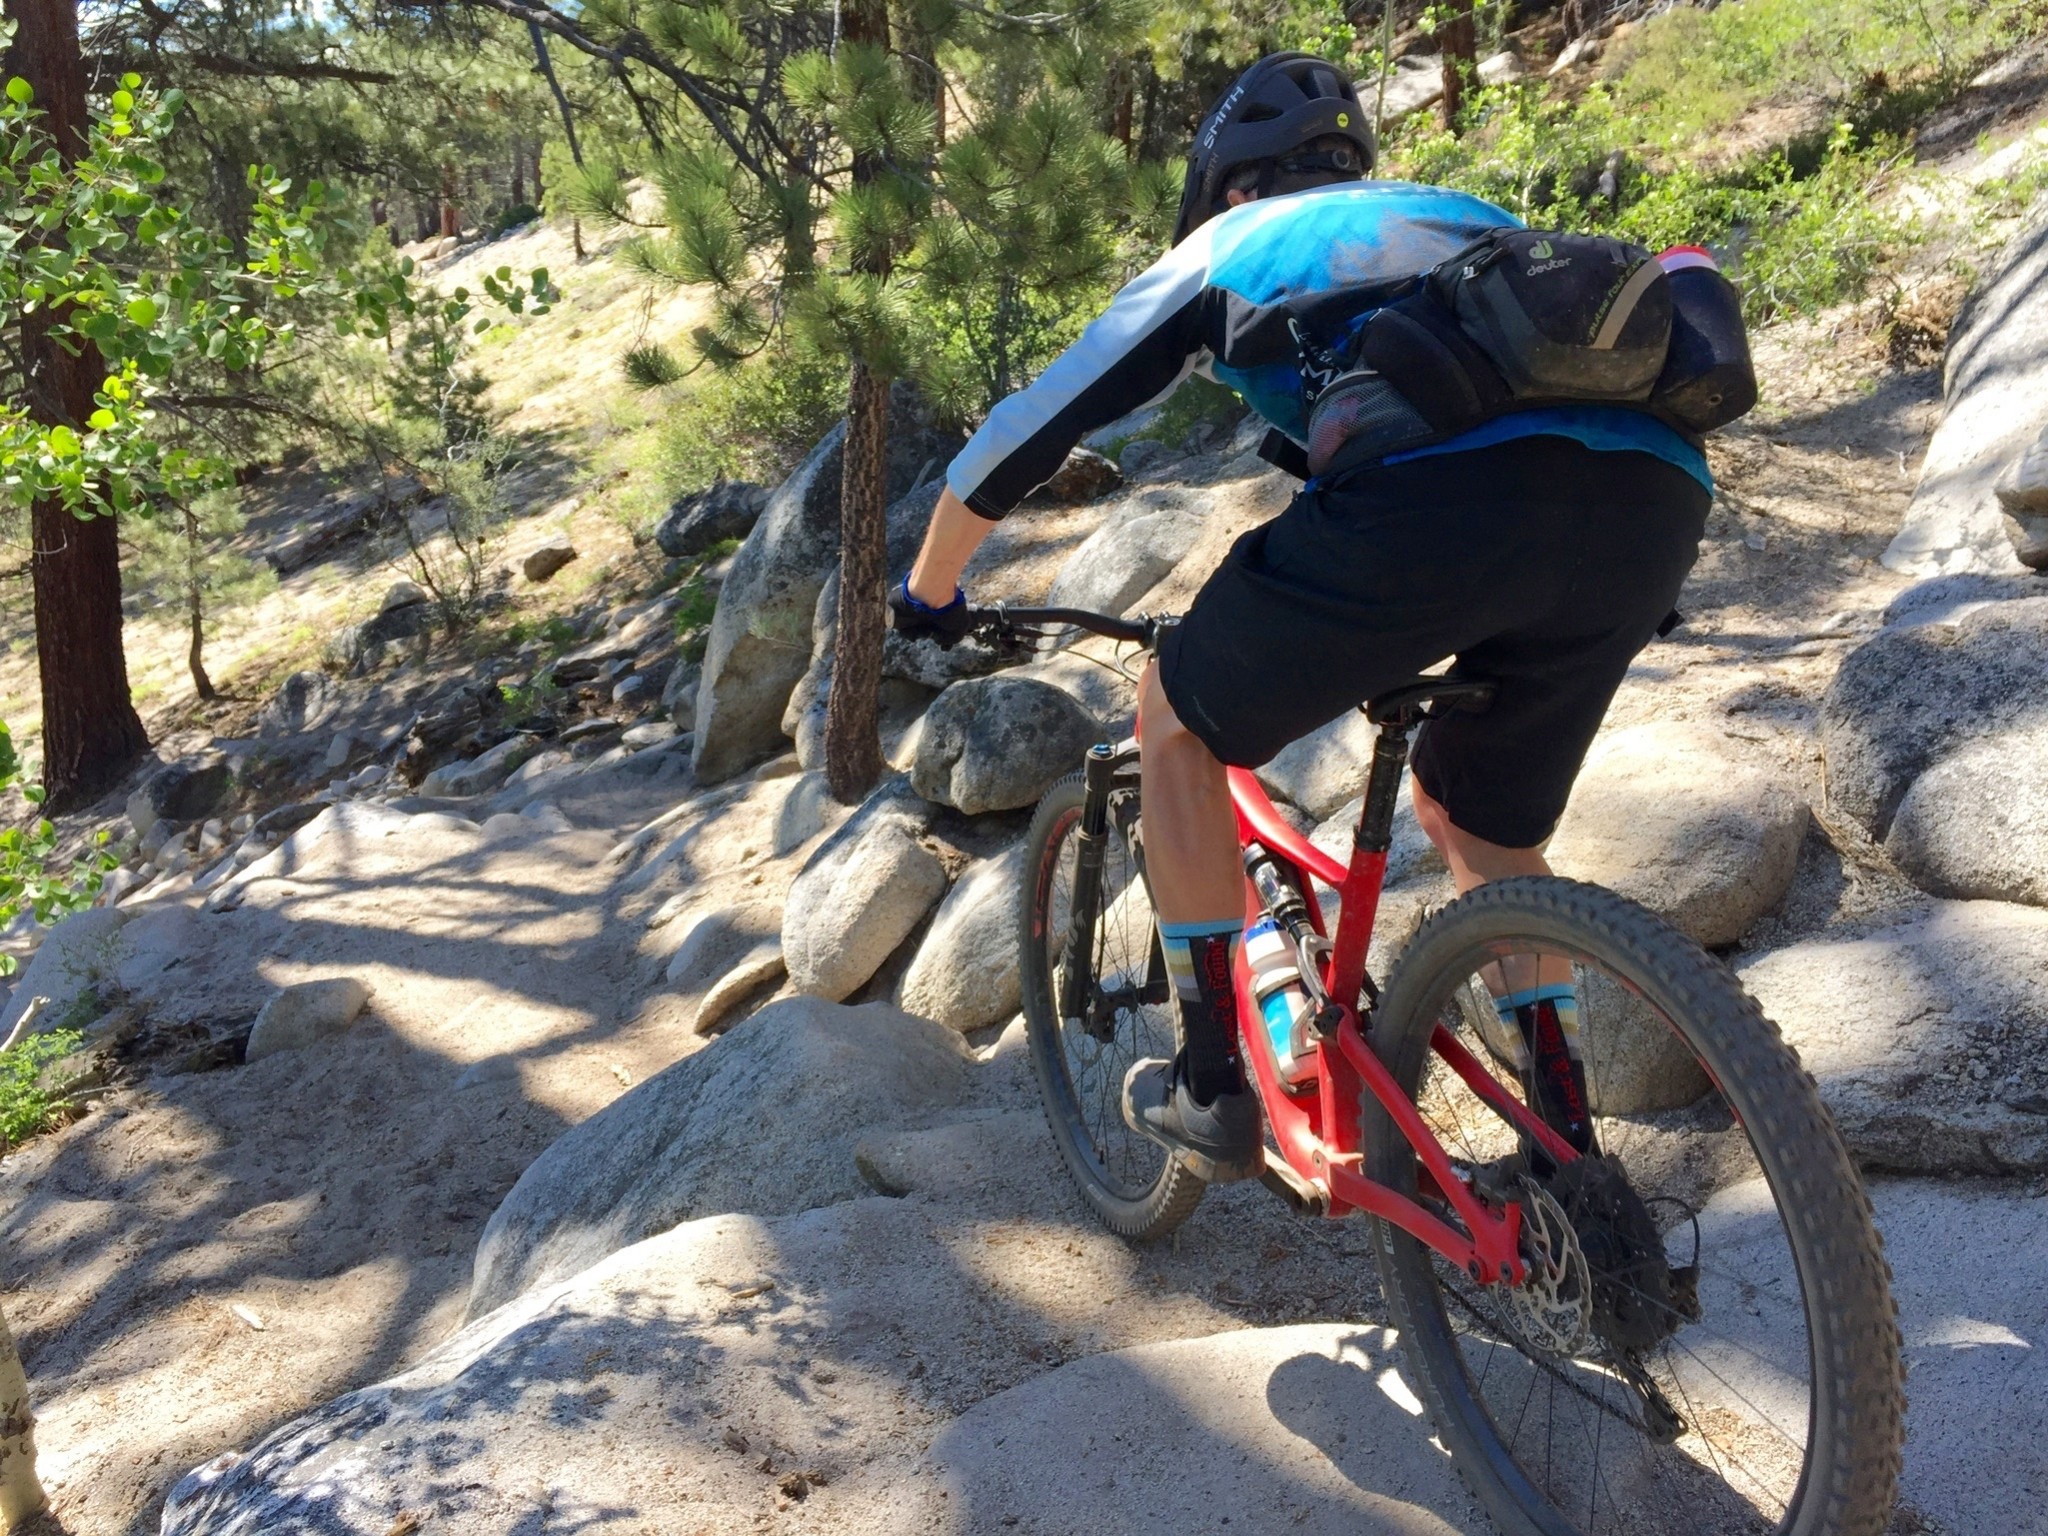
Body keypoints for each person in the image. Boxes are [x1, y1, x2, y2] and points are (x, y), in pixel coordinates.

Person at [891, 53, 1712, 1184]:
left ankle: (1208, 1086)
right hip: (1652, 508)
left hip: (1438, 505)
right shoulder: (1467, 217)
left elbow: (1029, 427)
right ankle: (1569, 1148)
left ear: (1230, 186)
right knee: (1480, 826)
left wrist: (928, 591)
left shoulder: (1230, 242)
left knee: (1174, 715)